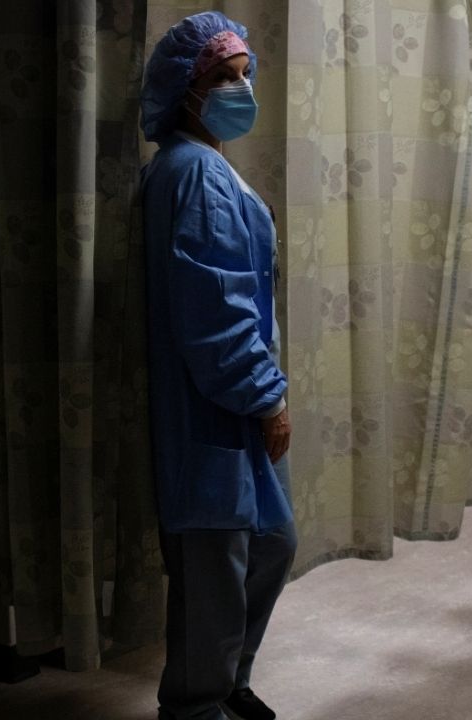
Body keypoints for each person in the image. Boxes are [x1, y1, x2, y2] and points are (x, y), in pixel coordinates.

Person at [139, 11, 297, 720]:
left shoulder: (202, 167)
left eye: (243, 74)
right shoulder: (195, 174)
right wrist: (266, 397)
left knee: (268, 546)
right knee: (214, 571)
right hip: (212, 408)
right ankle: (199, 704)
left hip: (226, 404)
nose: (241, 88)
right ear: (186, 89)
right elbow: (216, 312)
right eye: (222, 77)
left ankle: (227, 684)